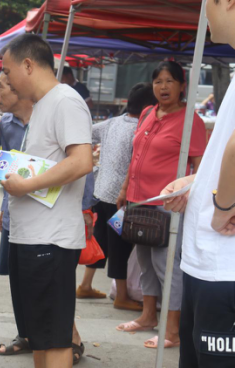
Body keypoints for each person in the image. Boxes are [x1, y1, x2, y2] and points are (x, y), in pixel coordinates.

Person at [0, 33, 93, 368]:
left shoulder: (65, 101)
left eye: (8, 73)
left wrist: (26, 186)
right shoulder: (44, 105)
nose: (6, 80)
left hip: (50, 241)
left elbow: (81, 161)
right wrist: (0, 161)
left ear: (28, 65)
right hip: (31, 237)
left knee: (55, 338)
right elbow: (43, 163)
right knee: (40, 336)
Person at [160, 1, 235, 366]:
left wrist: (222, 207)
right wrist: (197, 182)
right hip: (207, 262)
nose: (203, 16)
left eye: (208, 5)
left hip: (223, 264)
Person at [115, 61, 207, 350]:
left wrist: (187, 196)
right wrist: (123, 189)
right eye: (158, 81)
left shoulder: (192, 121)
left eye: (169, 81)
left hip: (168, 204)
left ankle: (172, 330)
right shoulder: (146, 112)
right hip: (138, 199)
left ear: (182, 86)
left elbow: (199, 167)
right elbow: (136, 156)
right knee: (144, 263)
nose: (163, 87)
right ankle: (147, 317)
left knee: (168, 267)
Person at [76, 83, 157, 310]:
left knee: (101, 241)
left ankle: (85, 285)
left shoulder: (112, 123)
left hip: (100, 193)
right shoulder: (141, 129)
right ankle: (122, 296)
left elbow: (86, 134)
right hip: (120, 198)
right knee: (120, 248)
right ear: (149, 106)